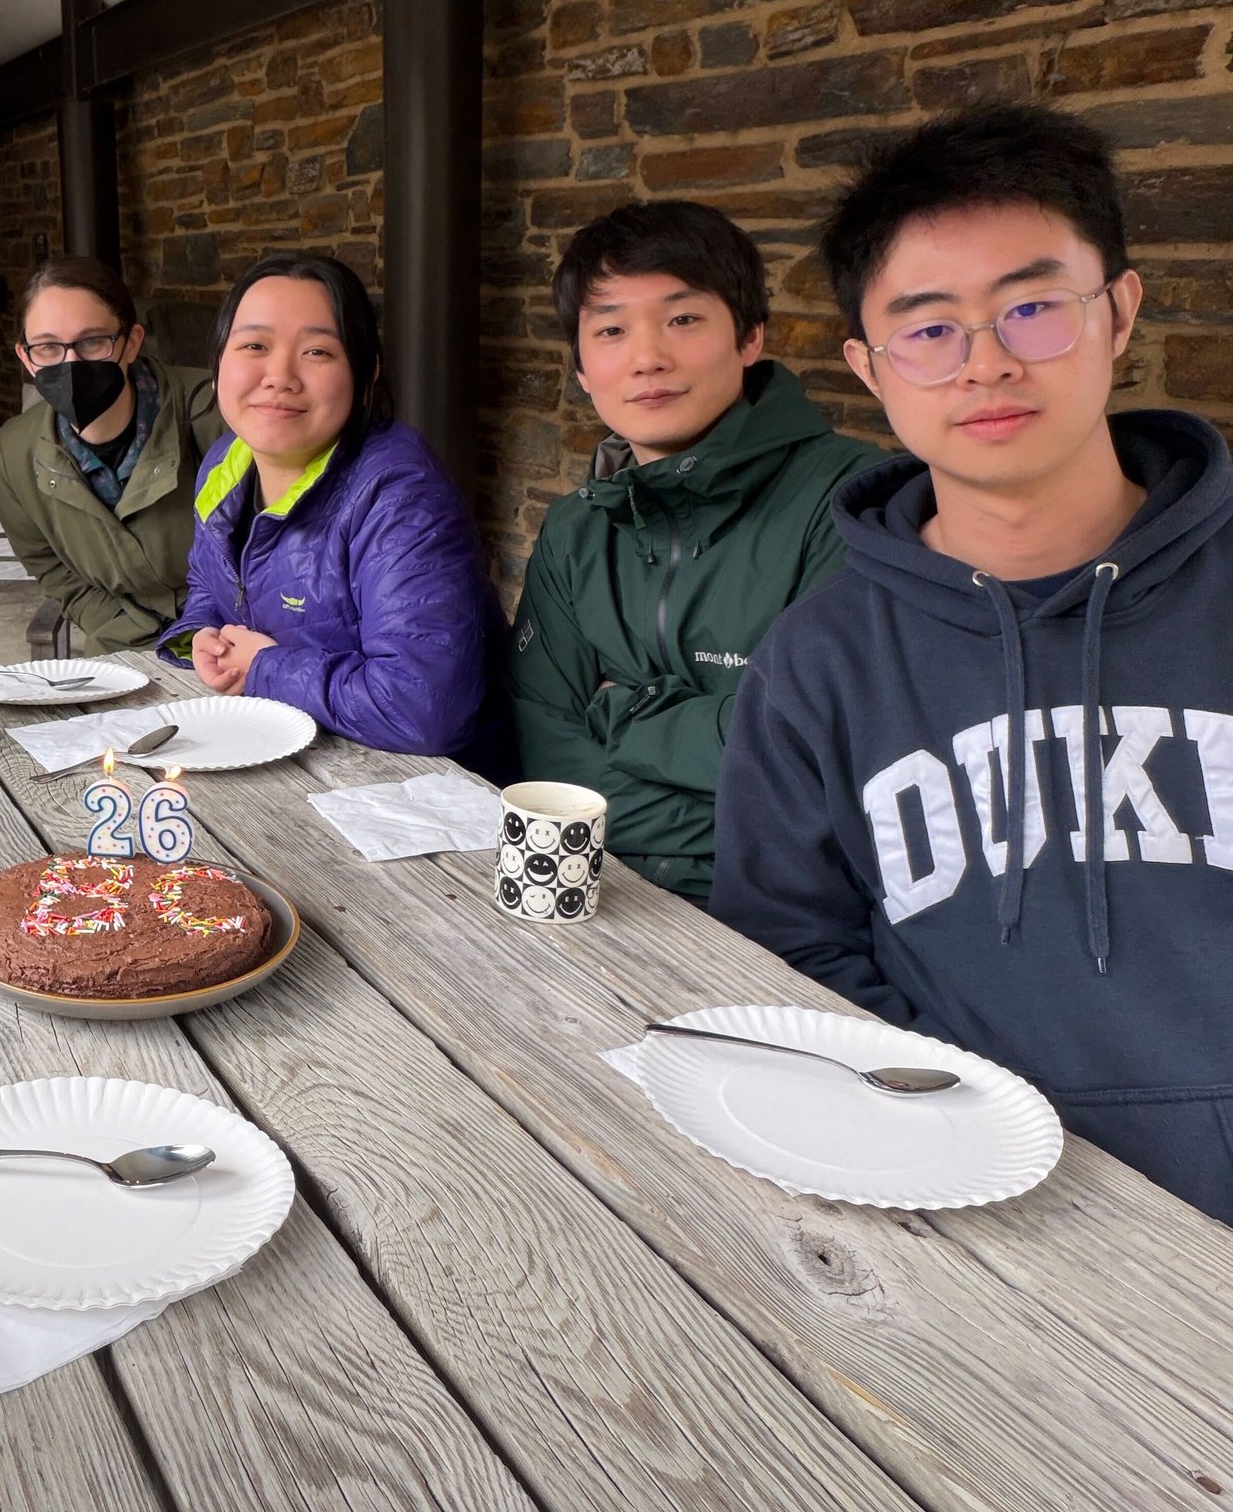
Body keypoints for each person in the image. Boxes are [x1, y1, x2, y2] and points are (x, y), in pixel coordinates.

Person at [714, 102, 1233, 1222]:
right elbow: (787, 951)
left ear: (1120, 312)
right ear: (870, 366)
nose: (986, 362)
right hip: (958, 1217)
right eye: (930, 328)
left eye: (1034, 307)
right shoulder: (817, 663)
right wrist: (938, 1134)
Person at [510, 201, 883, 906]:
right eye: (612, 329)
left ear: (749, 337)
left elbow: (824, 768)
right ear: (584, 369)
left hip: (794, 924)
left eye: (682, 319)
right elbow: (549, 764)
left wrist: (620, 716)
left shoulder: (850, 500)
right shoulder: (575, 530)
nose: (648, 356)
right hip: (598, 898)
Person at [159, 251, 511, 768]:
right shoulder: (225, 464)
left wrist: (262, 669)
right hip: (296, 758)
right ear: (217, 367)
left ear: (366, 376)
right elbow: (209, 585)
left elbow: (423, 707)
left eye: (318, 352)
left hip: (434, 798)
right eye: (254, 345)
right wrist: (203, 639)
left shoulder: (398, 496)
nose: (279, 375)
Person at [0, 253, 225, 652]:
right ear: (26, 358)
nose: (71, 362)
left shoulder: (213, 412)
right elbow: (48, 565)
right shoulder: (15, 453)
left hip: (231, 642)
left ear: (131, 343)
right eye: (48, 347)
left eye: (93, 341)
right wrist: (117, 625)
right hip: (122, 650)